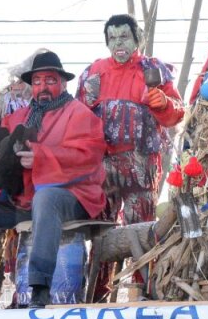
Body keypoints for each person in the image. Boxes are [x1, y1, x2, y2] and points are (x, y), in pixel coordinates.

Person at [0, 50, 106, 309]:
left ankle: (40, 287)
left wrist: (40, 158)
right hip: (22, 201)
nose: (43, 87)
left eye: (50, 80)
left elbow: (88, 157)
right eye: (38, 81)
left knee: (47, 197)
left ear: (63, 83)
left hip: (71, 197)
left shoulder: (80, 114)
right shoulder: (18, 117)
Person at [77, 14, 184, 225]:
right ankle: (100, 259)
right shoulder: (93, 72)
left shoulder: (153, 69)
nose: (118, 42)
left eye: (124, 36)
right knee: (100, 226)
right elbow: (78, 117)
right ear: (107, 42)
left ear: (137, 40)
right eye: (113, 37)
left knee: (140, 225)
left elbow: (177, 113)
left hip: (141, 162)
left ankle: (140, 260)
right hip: (102, 162)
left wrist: (164, 103)